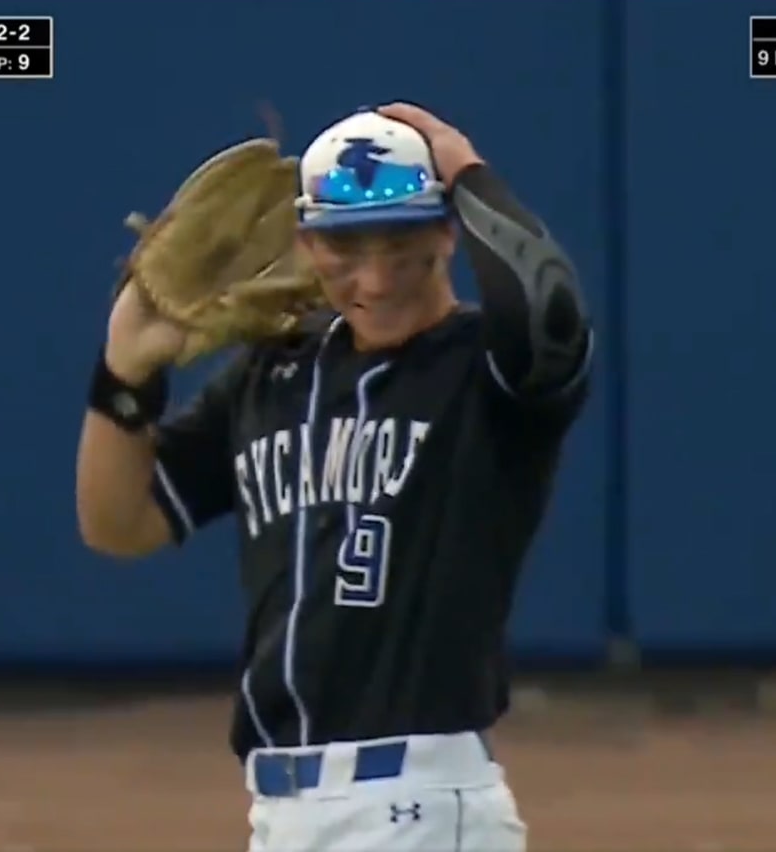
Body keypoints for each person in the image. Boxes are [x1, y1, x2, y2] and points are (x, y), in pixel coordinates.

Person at [75, 102, 592, 852]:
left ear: (449, 232)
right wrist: (125, 372)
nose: (376, 280)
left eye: (403, 244)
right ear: (306, 244)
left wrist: (462, 165)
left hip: (416, 803)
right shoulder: (272, 375)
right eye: (345, 249)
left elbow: (548, 307)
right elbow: (118, 523)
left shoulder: (491, 373)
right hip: (280, 812)